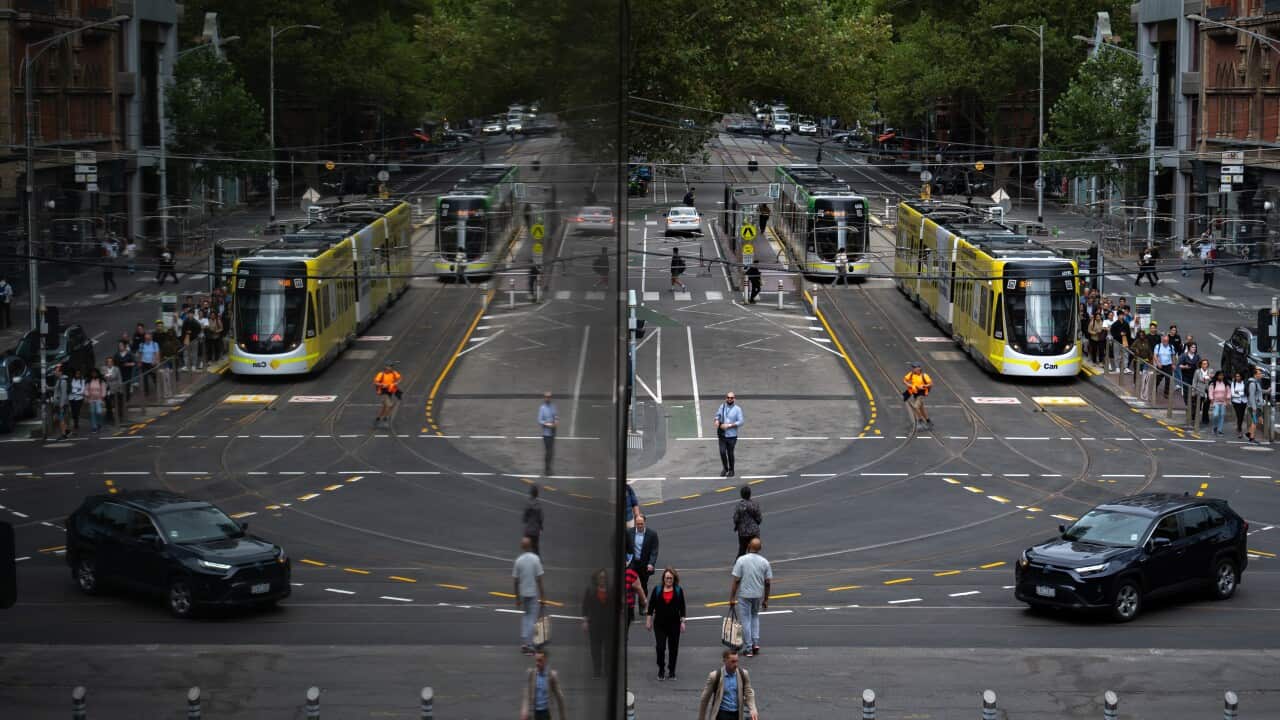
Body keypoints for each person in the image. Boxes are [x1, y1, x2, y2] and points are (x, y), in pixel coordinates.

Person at [730, 537, 771, 658]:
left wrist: (732, 597)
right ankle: (755, 643)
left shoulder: (741, 560)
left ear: (749, 546)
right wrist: (766, 599)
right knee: (755, 616)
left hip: (744, 595)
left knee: (746, 620)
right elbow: (768, 582)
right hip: (757, 595)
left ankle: (748, 647)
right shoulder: (765, 562)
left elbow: (736, 580)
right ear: (760, 548)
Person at [646, 566, 687, 681]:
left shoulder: (678, 590)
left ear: (674, 579)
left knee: (673, 648)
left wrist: (683, 621)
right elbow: (651, 606)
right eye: (666, 578)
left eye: (670, 578)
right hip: (659, 624)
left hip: (674, 625)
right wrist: (648, 620)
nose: (668, 580)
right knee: (660, 647)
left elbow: (682, 607)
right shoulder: (657, 590)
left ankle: (672, 670)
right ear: (663, 578)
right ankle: (661, 669)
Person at [698, 650, 758, 720]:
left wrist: (753, 709)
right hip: (722, 714)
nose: (736, 664)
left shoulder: (743, 674)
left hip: (737, 714)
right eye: (732, 662)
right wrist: (701, 718)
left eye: (737, 661)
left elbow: (748, 693)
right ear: (725, 661)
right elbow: (705, 699)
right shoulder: (715, 676)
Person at [512, 536, 545, 654]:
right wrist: (543, 596)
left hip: (523, 593)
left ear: (522, 547)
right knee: (532, 619)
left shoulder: (518, 561)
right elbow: (540, 579)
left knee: (526, 617)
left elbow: (515, 581)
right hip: (533, 593)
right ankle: (530, 644)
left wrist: (517, 598)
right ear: (530, 546)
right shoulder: (536, 559)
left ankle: (525, 643)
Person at [581, 569, 612, 679]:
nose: (602, 579)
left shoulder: (610, 590)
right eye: (600, 577)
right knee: (595, 649)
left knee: (608, 649)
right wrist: (585, 621)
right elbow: (585, 607)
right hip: (595, 624)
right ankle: (597, 670)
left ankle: (608, 670)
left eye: (604, 577)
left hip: (608, 625)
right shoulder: (590, 591)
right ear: (596, 579)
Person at [519, 649, 567, 720]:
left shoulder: (551, 675)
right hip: (535, 712)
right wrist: (524, 710)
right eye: (536, 660)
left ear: (545, 661)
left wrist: (562, 717)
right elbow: (526, 695)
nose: (537, 663)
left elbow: (560, 697)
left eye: (540, 660)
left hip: (546, 713)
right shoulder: (531, 674)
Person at [627, 513, 659, 593]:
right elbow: (625, 547)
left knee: (643, 585)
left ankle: (642, 604)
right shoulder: (629, 532)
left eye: (641, 524)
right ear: (635, 523)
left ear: (645, 523)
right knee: (630, 585)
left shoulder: (652, 534)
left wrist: (651, 563)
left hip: (644, 565)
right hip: (632, 563)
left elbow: (654, 551)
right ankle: (631, 603)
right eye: (638, 524)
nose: (640, 526)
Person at [714, 391, 743, 477]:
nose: (729, 399)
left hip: (732, 436)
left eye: (731, 398)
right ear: (726, 398)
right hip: (722, 434)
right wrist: (716, 420)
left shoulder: (738, 409)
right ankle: (725, 468)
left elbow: (741, 421)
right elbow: (717, 415)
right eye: (728, 397)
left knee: (730, 453)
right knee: (722, 452)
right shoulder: (722, 406)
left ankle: (731, 470)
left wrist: (729, 425)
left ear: (734, 399)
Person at [733, 485, 762, 559]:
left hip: (743, 532)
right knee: (754, 551)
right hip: (754, 531)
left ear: (741, 495)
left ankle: (738, 567)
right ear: (750, 494)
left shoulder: (739, 505)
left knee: (742, 551)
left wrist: (737, 526)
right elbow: (759, 518)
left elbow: (736, 518)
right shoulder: (755, 504)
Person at [903, 362, 933, 430]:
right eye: (913, 367)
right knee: (921, 409)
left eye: (914, 367)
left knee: (916, 407)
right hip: (915, 393)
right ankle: (928, 421)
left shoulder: (924, 376)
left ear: (919, 368)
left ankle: (920, 421)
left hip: (921, 393)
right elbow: (904, 380)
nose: (913, 369)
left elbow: (930, 384)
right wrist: (909, 385)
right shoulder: (911, 374)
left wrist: (923, 386)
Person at [373, 362, 402, 426]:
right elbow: (375, 382)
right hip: (383, 392)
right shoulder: (381, 374)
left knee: (384, 407)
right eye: (389, 366)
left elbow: (400, 378)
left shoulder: (394, 373)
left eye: (391, 367)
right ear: (386, 367)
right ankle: (385, 418)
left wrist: (396, 383)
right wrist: (382, 384)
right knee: (390, 405)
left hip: (390, 392)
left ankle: (378, 418)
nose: (391, 368)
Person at [48, 365, 70, 440]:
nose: (55, 372)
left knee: (61, 419)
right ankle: (66, 431)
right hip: (58, 403)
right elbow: (55, 388)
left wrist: (61, 404)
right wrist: (48, 387)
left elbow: (64, 393)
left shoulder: (63, 381)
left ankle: (64, 434)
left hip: (61, 404)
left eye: (56, 371)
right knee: (58, 418)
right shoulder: (59, 380)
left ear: (60, 372)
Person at [538, 392, 558, 476]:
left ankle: (549, 468)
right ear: (544, 398)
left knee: (551, 451)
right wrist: (547, 424)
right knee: (548, 451)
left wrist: (556, 422)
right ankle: (547, 469)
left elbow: (556, 416)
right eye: (546, 397)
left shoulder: (553, 407)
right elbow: (539, 420)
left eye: (549, 397)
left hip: (553, 432)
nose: (548, 398)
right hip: (546, 433)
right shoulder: (542, 408)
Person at [1246, 366, 1266, 444]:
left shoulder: (1256, 383)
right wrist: (1254, 407)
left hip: (1257, 406)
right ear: (1255, 375)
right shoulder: (1253, 384)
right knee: (1255, 422)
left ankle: (1249, 434)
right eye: (1259, 373)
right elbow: (1252, 396)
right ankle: (1251, 439)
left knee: (1257, 421)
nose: (1261, 375)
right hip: (1254, 406)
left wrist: (1267, 391)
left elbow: (1259, 392)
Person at [1207, 370, 1230, 436]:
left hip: (1223, 402)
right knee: (1215, 415)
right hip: (1215, 402)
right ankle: (1215, 427)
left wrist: (1228, 399)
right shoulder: (1213, 383)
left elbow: (1228, 392)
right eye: (1219, 375)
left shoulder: (1225, 383)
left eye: (1222, 375)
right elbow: (1210, 392)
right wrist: (1211, 399)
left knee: (1222, 416)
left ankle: (1220, 430)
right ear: (1217, 376)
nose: (1221, 377)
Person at [1153, 334, 1176, 399]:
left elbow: (1173, 355)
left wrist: (1173, 364)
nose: (1166, 341)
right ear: (1162, 340)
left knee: (1168, 380)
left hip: (1168, 366)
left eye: (1167, 340)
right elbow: (1155, 356)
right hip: (1160, 365)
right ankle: (1154, 390)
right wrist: (1158, 363)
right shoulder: (1158, 346)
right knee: (1157, 379)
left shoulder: (1171, 347)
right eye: (1164, 340)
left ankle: (1166, 393)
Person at [102, 356, 124, 425]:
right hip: (107, 389)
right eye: (108, 362)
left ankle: (119, 417)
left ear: (113, 362)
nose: (109, 363)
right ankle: (109, 416)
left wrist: (120, 389)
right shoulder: (103, 368)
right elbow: (103, 377)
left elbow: (119, 379)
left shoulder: (116, 369)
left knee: (117, 403)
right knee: (108, 404)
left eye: (111, 362)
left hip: (115, 389)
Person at [523, 484, 544, 556]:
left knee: (526, 548)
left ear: (531, 493)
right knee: (536, 548)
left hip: (528, 529)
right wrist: (541, 528)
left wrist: (526, 520)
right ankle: (538, 564)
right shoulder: (539, 505)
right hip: (535, 530)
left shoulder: (528, 503)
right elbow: (541, 518)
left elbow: (525, 517)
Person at [84, 368, 107, 433]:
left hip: (99, 399)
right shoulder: (88, 381)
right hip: (91, 399)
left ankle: (99, 423)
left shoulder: (101, 381)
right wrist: (87, 394)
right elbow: (85, 389)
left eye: (95, 373)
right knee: (92, 413)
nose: (94, 374)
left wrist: (103, 396)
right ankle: (94, 427)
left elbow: (104, 389)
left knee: (99, 412)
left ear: (97, 373)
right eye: (92, 373)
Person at [624, 562, 646, 628]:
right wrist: (644, 601)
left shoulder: (631, 573)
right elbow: (639, 588)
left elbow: (638, 588)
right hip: (627, 605)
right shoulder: (631, 573)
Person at [1193, 358, 1213, 426]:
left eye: (1206, 364)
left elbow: (1211, 379)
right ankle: (1195, 419)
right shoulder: (1197, 371)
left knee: (1206, 406)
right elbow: (1195, 381)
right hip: (1199, 390)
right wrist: (1193, 391)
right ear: (1201, 365)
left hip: (1207, 390)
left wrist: (1209, 377)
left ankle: (1205, 419)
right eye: (1204, 364)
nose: (1205, 365)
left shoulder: (1210, 371)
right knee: (1198, 406)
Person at [1229, 371, 1248, 438]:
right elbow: (1233, 394)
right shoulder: (1233, 383)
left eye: (1239, 376)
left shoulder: (1244, 383)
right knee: (1239, 415)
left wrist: (1238, 392)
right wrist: (1241, 393)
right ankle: (1239, 429)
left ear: (1241, 377)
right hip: (1236, 402)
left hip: (1244, 402)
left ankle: (1239, 427)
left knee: (1242, 415)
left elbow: (1246, 392)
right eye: (1236, 376)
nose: (1237, 378)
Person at [68, 368, 86, 434]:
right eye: (76, 373)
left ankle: (76, 423)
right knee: (73, 411)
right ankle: (75, 421)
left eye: (78, 373)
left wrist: (76, 392)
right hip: (71, 398)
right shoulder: (71, 380)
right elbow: (70, 389)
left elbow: (82, 390)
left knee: (77, 410)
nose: (77, 375)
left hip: (79, 398)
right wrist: (75, 391)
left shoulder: (82, 381)